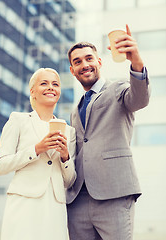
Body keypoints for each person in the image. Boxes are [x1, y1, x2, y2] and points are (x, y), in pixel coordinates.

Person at [66, 24, 150, 240]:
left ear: (99, 62)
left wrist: (136, 62)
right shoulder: (75, 110)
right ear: (72, 70)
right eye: (77, 62)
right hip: (78, 200)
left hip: (114, 193)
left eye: (89, 59)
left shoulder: (118, 89)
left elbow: (139, 99)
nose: (84, 65)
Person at [0, 68, 76, 240]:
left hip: (55, 206)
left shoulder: (69, 131)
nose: (50, 87)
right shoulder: (18, 120)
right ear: (33, 91)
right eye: (44, 83)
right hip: (24, 202)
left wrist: (64, 156)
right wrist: (36, 149)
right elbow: (1, 166)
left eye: (55, 84)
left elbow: (70, 180)